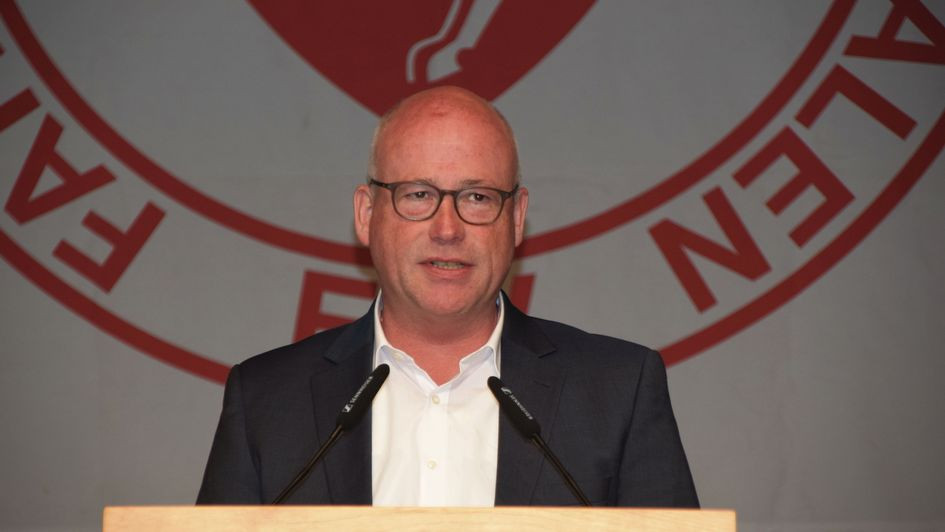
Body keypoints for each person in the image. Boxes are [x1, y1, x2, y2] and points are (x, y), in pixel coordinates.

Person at [197, 86, 698, 507]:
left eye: (477, 197)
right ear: (367, 214)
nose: (447, 228)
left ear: (517, 218)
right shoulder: (265, 400)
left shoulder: (618, 392)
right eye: (418, 195)